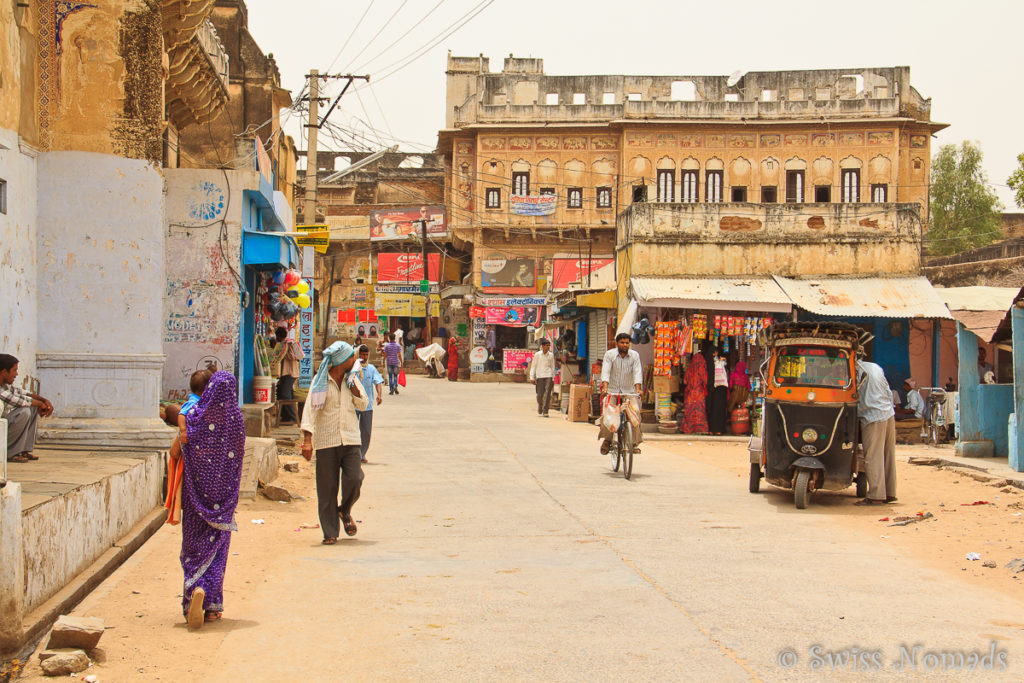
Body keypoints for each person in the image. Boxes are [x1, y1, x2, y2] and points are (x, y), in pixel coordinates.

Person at [179, 371, 245, 629]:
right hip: (224, 499)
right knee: (218, 548)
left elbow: (179, 448)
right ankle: (213, 606)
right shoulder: (237, 421)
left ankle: (194, 591)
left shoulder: (194, 417)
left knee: (194, 545)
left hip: (195, 498)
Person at [301, 342, 368, 544]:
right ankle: (329, 532)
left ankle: (344, 510)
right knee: (327, 489)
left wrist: (356, 390)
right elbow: (310, 409)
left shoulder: (353, 380)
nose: (354, 360)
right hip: (326, 441)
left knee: (355, 478)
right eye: (350, 357)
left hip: (350, 439)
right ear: (341, 361)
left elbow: (363, 405)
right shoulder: (319, 382)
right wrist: (307, 440)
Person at [854, 358, 897, 505]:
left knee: (873, 455)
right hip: (888, 413)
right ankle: (890, 492)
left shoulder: (854, 370)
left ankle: (876, 495)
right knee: (887, 454)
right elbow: (888, 391)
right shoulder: (875, 367)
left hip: (872, 415)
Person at [0, 354, 54, 463]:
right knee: (24, 411)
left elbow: (22, 393)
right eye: (14, 370)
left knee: (32, 408)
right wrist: (40, 404)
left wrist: (44, 401)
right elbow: (17, 401)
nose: (16, 374)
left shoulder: (5, 386)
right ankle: (10, 453)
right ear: (4, 372)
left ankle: (24, 450)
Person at [598, 333, 643, 455]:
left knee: (636, 412)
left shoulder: (634, 356)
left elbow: (637, 372)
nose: (625, 345)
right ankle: (607, 439)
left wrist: (638, 388)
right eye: (622, 342)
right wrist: (605, 387)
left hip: (629, 392)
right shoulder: (610, 355)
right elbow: (606, 371)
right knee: (608, 413)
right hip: (612, 391)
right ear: (617, 343)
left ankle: (634, 443)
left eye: (627, 342)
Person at [352, 345, 384, 464]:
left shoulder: (371, 368)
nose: (364, 357)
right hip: (353, 405)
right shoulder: (353, 369)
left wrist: (379, 394)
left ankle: (362, 454)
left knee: (366, 431)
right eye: (362, 355)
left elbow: (378, 382)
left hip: (367, 406)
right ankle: (353, 454)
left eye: (366, 355)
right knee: (353, 430)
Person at [274, 328, 303, 424]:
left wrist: (283, 353)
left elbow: (292, 357)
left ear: (279, 336)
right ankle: (285, 417)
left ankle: (292, 417)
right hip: (285, 373)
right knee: (282, 395)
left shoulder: (288, 344)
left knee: (285, 395)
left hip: (290, 373)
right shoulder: (283, 344)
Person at [682, 353, 709, 434]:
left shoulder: (689, 369)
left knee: (689, 411)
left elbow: (685, 381)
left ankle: (689, 430)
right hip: (699, 393)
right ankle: (701, 430)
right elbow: (706, 381)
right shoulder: (702, 369)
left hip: (690, 394)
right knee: (700, 411)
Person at [529, 338, 556, 416]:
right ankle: (540, 405)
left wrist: (553, 378)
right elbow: (533, 366)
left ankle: (545, 411)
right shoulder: (537, 355)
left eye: (549, 346)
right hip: (539, 376)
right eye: (547, 346)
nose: (548, 347)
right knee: (539, 395)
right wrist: (532, 377)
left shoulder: (551, 355)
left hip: (548, 375)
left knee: (548, 394)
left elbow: (552, 367)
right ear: (543, 346)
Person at [708, 350, 729, 435]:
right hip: (719, 390)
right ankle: (717, 429)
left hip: (714, 390)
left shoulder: (714, 363)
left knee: (714, 410)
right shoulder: (713, 362)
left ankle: (714, 429)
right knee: (718, 410)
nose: (715, 354)